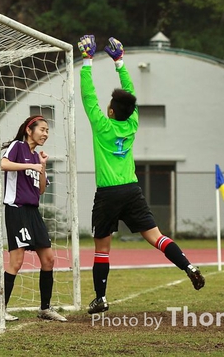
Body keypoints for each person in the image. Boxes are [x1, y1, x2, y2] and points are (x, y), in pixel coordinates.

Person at [77, 34, 205, 315]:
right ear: (130, 112)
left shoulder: (102, 125)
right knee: (157, 237)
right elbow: (130, 96)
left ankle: (101, 298)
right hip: (132, 190)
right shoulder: (132, 123)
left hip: (109, 193)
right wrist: (120, 62)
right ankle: (188, 266)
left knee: (102, 248)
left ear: (110, 111)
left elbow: (88, 95)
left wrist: (87, 60)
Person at [0, 115, 67, 322]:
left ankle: (45, 308)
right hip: (16, 209)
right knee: (16, 261)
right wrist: (29, 166)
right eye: (42, 129)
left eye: (47, 131)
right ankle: (0, 309)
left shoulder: (36, 156)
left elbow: (40, 190)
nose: (45, 134)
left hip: (32, 211)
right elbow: (3, 164)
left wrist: (42, 166)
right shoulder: (17, 146)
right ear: (30, 130)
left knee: (49, 259)